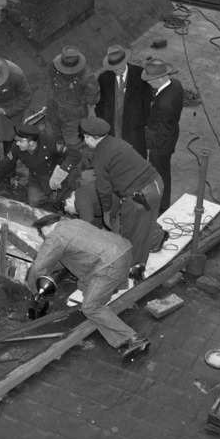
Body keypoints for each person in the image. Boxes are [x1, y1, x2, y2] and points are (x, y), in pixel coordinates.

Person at [27, 214, 150, 361]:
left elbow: (37, 269)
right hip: (124, 251)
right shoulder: (74, 223)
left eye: (41, 233)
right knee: (84, 286)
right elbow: (64, 257)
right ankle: (111, 294)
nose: (42, 237)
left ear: (46, 227)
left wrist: (35, 293)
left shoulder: (55, 237)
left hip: (109, 265)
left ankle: (133, 338)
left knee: (90, 307)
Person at [81, 117, 167, 277]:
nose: (85, 141)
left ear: (93, 138)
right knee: (145, 224)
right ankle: (158, 238)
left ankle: (134, 268)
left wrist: (107, 210)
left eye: (86, 137)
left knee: (129, 232)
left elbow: (104, 189)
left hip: (140, 196)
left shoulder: (100, 156)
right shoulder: (116, 142)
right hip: (156, 184)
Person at [0, 124, 81, 208]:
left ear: (32, 143)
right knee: (34, 201)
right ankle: (52, 198)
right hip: (37, 177)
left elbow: (74, 154)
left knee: (70, 201)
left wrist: (61, 172)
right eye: (17, 141)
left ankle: (59, 198)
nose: (17, 144)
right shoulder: (17, 148)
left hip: (55, 173)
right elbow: (3, 168)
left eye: (20, 141)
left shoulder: (50, 141)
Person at [141, 59, 183, 213]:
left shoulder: (165, 104)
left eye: (150, 81)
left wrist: (141, 135)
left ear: (159, 79)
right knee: (163, 171)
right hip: (171, 133)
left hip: (161, 145)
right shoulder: (176, 85)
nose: (148, 84)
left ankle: (161, 206)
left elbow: (159, 134)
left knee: (160, 173)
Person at [96, 45, 151, 159]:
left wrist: (141, 123)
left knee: (135, 162)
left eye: (119, 67)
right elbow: (100, 106)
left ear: (125, 61)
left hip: (134, 132)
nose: (116, 70)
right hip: (113, 132)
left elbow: (147, 103)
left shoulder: (140, 75)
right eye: (114, 68)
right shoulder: (104, 78)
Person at [46, 46, 99, 152]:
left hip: (74, 113)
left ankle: (83, 157)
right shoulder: (53, 67)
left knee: (73, 142)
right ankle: (60, 146)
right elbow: (51, 82)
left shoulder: (87, 77)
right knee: (53, 132)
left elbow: (92, 97)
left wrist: (88, 110)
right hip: (55, 106)